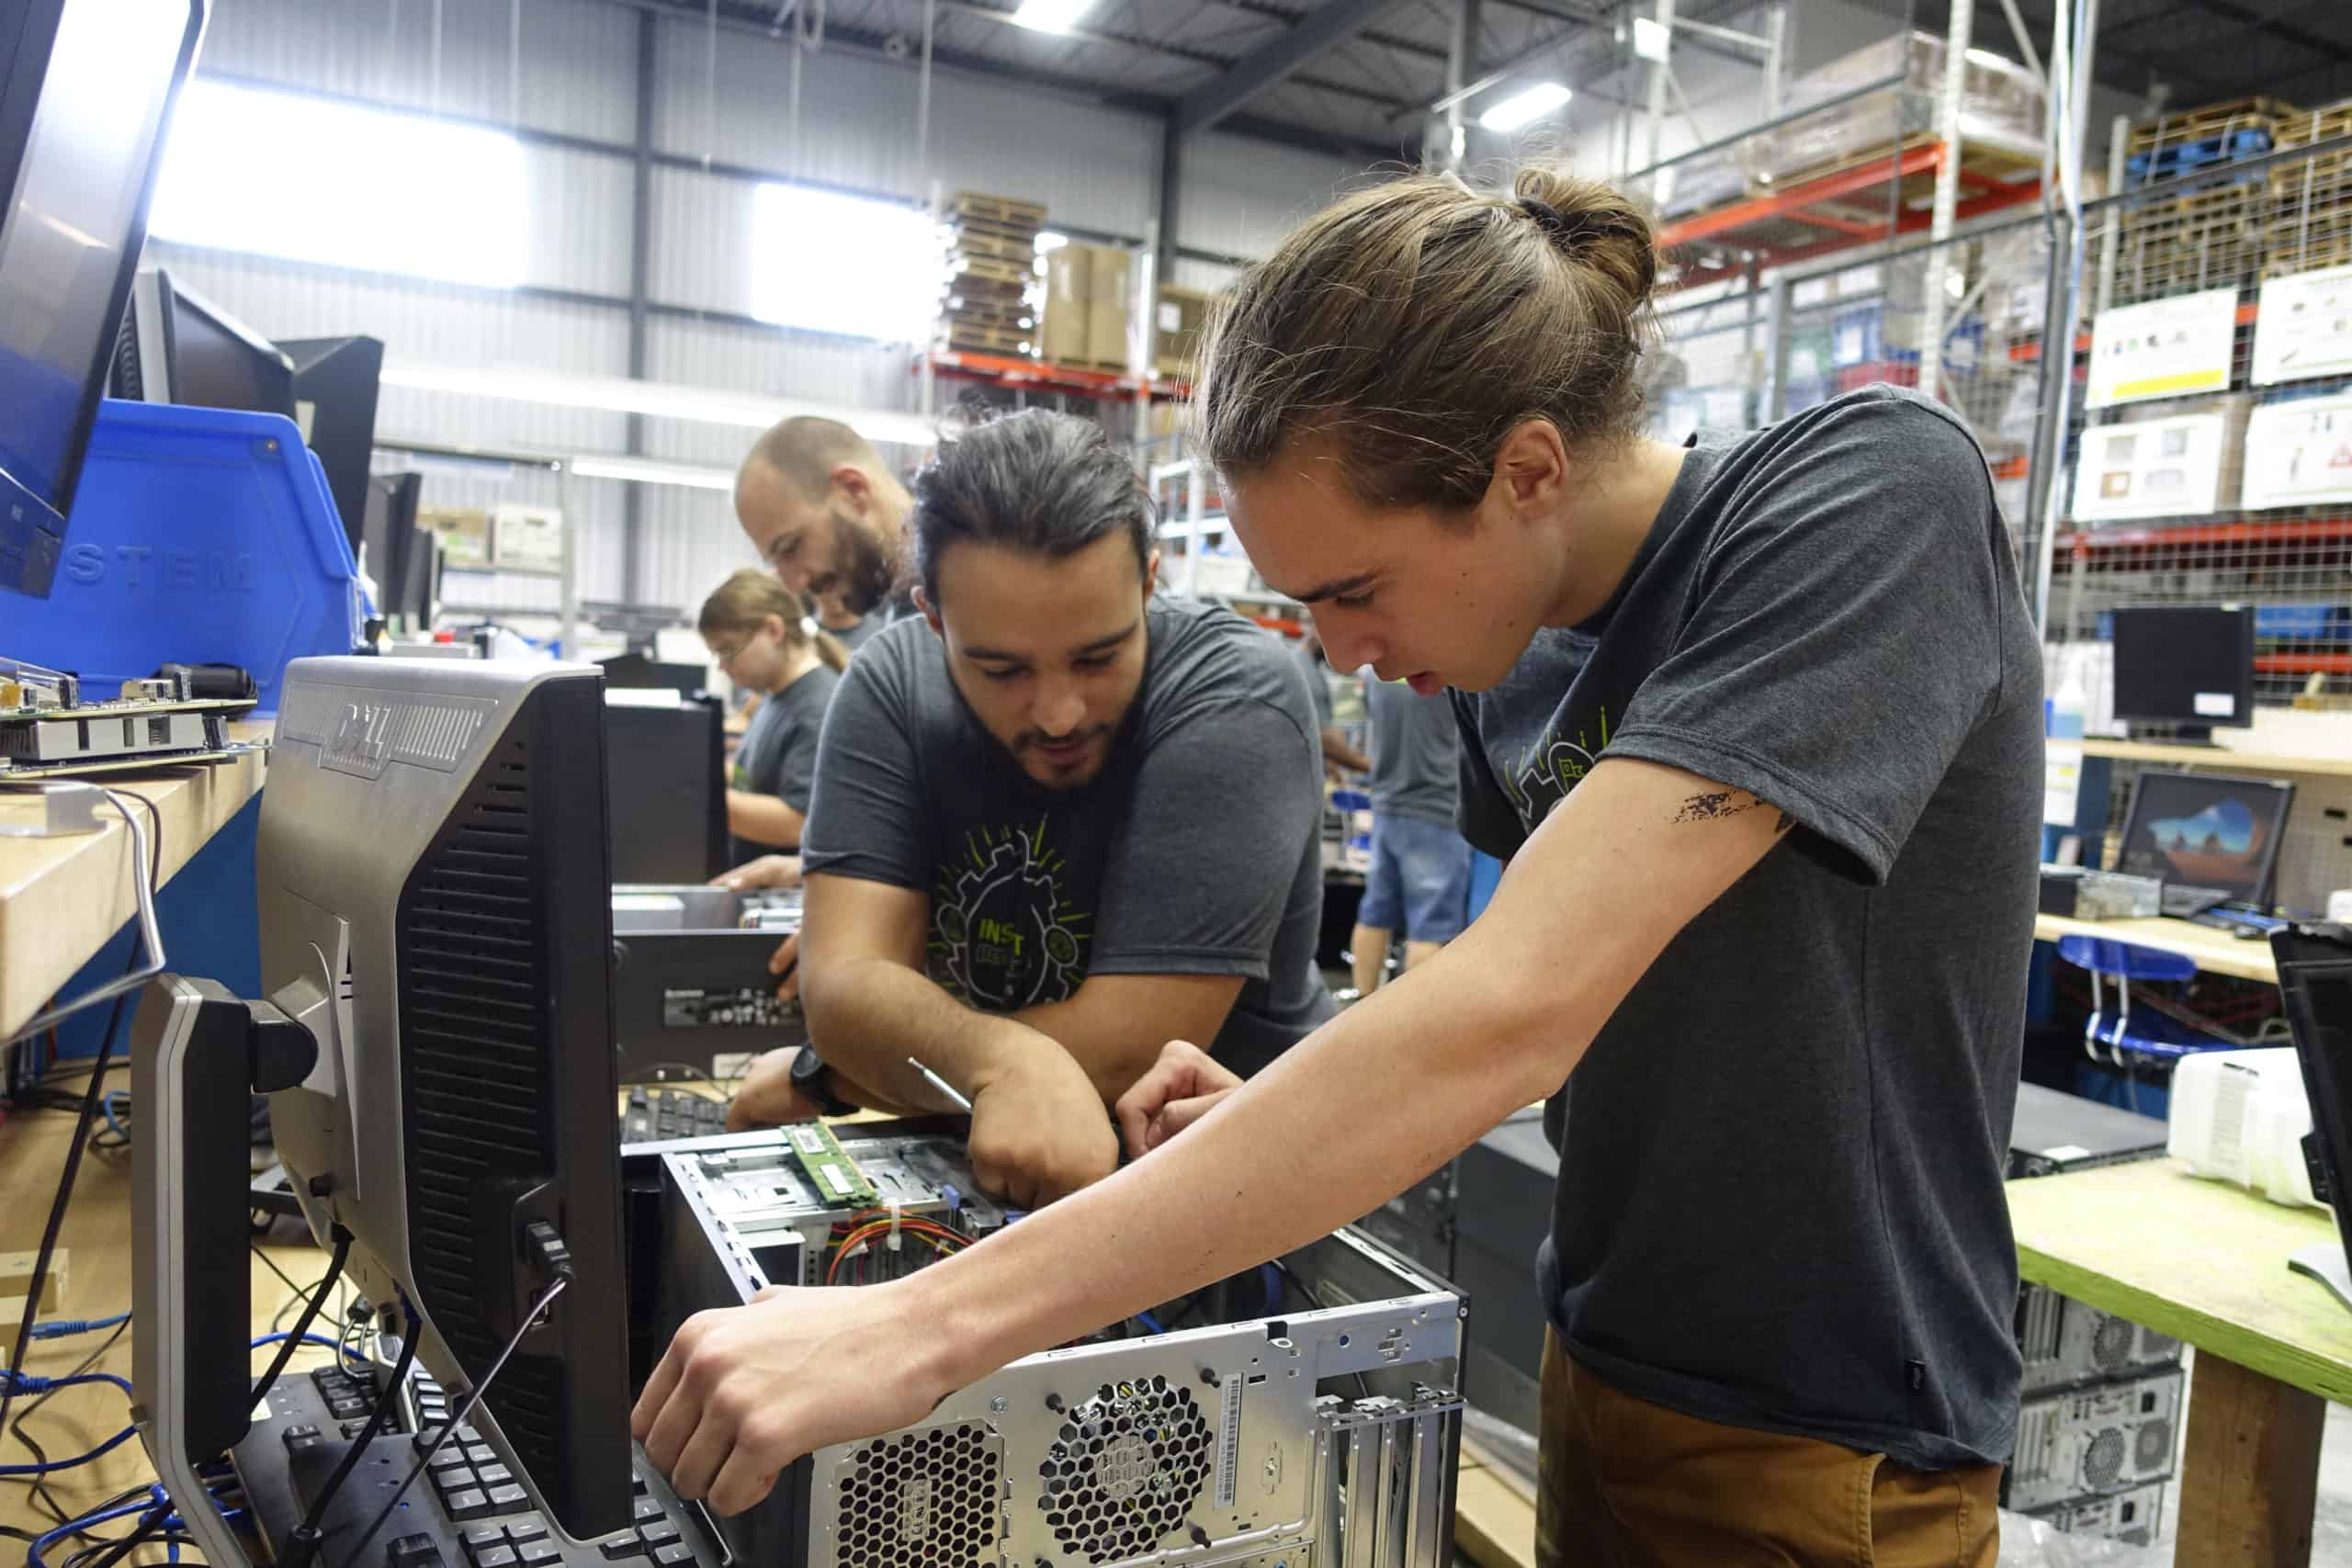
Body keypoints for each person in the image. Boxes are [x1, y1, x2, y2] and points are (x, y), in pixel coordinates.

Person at [634, 168, 2041, 1567]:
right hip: (1605, 1358)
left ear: (1531, 469)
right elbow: (1598, 999)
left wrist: (916, 1325)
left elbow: (1514, 1005)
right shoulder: (1506, 653)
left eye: (1357, 591)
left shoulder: (1867, 499)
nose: (1346, 656)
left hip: (1837, 1429)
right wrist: (1285, 1111)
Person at [721, 410, 1336, 1206]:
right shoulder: (889, 685)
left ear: (1147, 586)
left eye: (1098, 656)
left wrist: (837, 1073)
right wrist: (997, 1063)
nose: (1059, 713)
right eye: (1001, 669)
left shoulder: (1235, 692)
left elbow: (1125, 1050)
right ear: (935, 621)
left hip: (1233, 1205)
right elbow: (840, 992)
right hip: (983, 1175)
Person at [697, 570, 847, 865]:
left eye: (728, 651)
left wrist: (695, 801)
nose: (723, 667)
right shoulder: (774, 696)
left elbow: (799, 822)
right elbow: (757, 779)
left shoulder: (818, 707)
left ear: (774, 630)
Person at [1349, 673, 1475, 993]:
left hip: (1387, 805)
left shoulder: (1379, 674)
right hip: (1437, 808)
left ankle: (1362, 1007)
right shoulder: (1448, 671)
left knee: (1375, 914)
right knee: (1430, 929)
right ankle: (1416, 1028)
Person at [734, 416, 915, 635]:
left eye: (790, 547)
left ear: (853, 490)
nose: (795, 585)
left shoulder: (959, 594)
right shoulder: (901, 621)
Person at [1293, 630, 1370, 777]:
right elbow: (1324, 738)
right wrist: (1367, 766)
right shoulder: (1305, 671)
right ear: (1317, 631)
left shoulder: (1306, 665)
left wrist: (1331, 767)